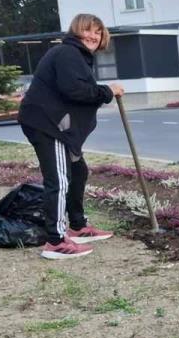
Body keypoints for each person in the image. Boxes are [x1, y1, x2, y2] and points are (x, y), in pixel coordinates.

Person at [17, 13, 124, 260]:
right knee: (60, 179)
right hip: (48, 125)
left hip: (60, 127)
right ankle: (55, 241)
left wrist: (103, 92)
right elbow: (74, 90)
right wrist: (108, 91)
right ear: (76, 31)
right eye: (87, 30)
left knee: (79, 172)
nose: (93, 36)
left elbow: (74, 89)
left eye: (98, 32)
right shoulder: (67, 53)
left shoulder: (77, 57)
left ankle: (77, 226)